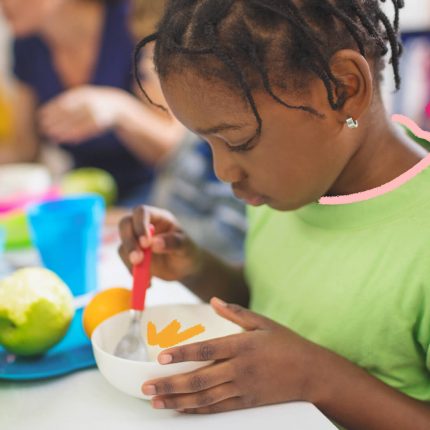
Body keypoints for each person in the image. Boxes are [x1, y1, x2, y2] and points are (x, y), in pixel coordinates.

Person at [118, 1, 430, 428]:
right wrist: (196, 266)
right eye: (206, 143)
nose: (222, 171)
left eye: (239, 142)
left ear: (343, 90)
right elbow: (275, 298)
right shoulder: (291, 187)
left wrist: (316, 378)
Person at [0, 0, 185, 206]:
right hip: (86, 199)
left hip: (158, 196)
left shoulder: (134, 24)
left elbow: (177, 151)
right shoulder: (27, 46)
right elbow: (23, 149)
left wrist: (118, 109)